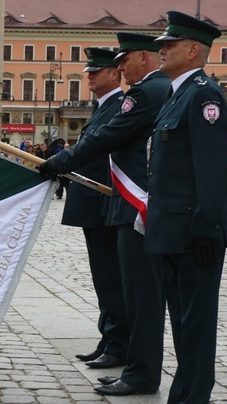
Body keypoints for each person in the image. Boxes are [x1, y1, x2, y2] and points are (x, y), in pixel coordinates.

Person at [45, 33, 172, 396]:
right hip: (118, 204)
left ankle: (133, 362)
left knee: (132, 291)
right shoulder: (146, 92)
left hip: (125, 204)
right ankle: (122, 352)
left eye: (123, 60)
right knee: (119, 286)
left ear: (141, 60)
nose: (119, 67)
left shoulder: (144, 94)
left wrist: (56, 162)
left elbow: (101, 143)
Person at [138, 11, 227, 404]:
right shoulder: (178, 95)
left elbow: (214, 167)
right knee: (181, 323)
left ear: (192, 49)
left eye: (169, 45)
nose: (161, 50)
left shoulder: (204, 95)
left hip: (195, 234)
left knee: (195, 326)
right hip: (173, 231)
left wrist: (206, 226)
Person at [38, 48, 130, 369]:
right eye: (88, 71)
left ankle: (119, 343)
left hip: (105, 204)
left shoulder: (121, 106)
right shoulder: (103, 107)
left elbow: (98, 149)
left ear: (115, 74)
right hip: (95, 205)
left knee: (110, 277)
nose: (89, 76)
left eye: (96, 71)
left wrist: (57, 162)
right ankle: (109, 337)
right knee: (102, 277)